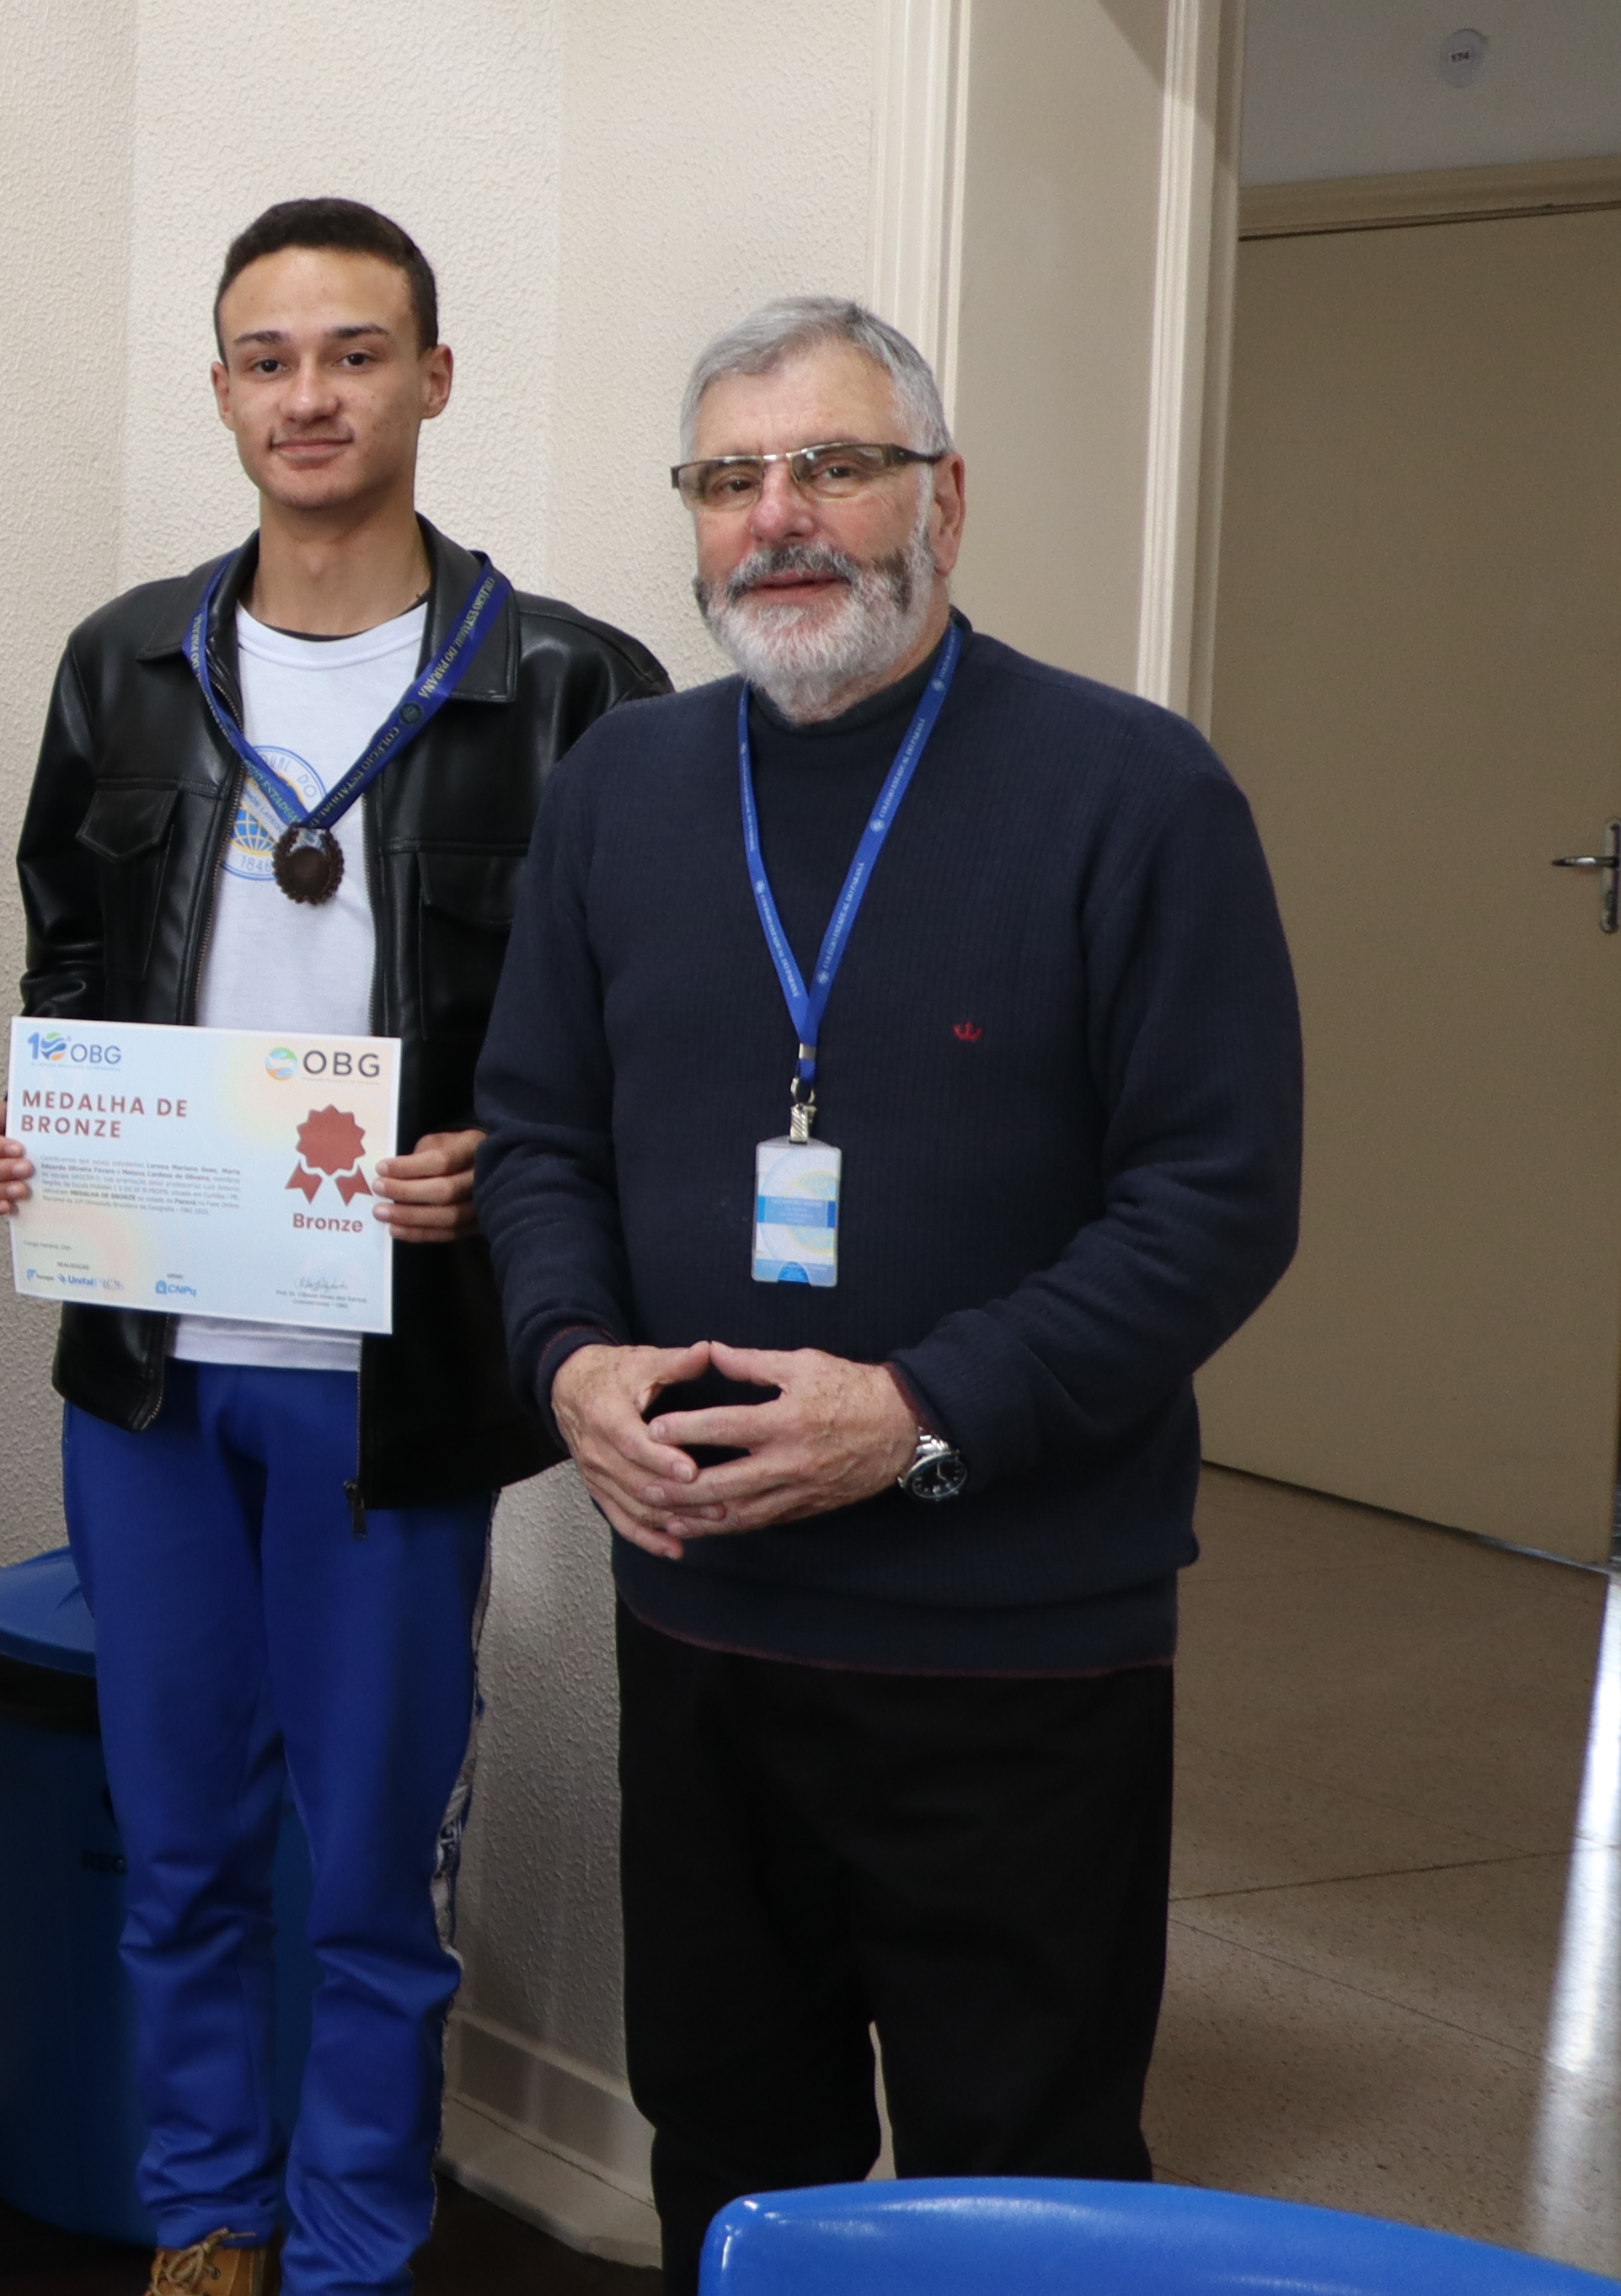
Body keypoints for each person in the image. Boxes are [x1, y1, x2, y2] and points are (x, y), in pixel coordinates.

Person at [474, 296, 1303, 2288]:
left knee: (1024, 2181)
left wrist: (917, 1410)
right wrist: (567, 1355)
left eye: (834, 466)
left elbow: (1216, 1201)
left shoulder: (1134, 791)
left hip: (1018, 1649)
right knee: (730, 2152)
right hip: (705, 1621)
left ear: (944, 497)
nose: (778, 518)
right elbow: (536, 1133)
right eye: (729, 477)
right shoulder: (619, 787)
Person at [0, 200, 667, 2296]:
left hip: (396, 1378)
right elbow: (67, 969)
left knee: (368, 1863)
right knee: (177, 1840)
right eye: (268, 358)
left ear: (433, 380)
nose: (311, 394)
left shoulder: (571, 685)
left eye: (355, 352)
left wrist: (505, 1165)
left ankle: (353, 2242)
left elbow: (636, 1038)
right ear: (220, 391)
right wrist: (30, 1131)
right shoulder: (126, 663)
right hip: (154, 1368)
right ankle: (208, 2215)